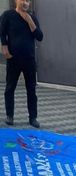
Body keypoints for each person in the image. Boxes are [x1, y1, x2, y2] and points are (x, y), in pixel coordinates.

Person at [0, 0, 43, 128]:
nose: (25, 3)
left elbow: (40, 36)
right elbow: (2, 32)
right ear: (16, 1)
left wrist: (30, 21)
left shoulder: (32, 18)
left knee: (31, 89)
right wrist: (4, 47)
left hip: (29, 60)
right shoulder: (8, 15)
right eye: (23, 0)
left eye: (28, 1)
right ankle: (10, 116)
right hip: (13, 59)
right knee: (10, 88)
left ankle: (33, 117)